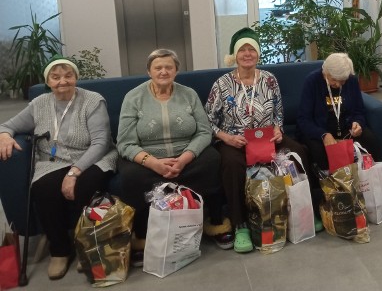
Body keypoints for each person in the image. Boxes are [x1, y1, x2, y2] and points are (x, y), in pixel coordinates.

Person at [0, 55, 117, 280]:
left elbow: (101, 143)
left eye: (68, 75)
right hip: (54, 161)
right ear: (48, 81)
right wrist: (4, 135)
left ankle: (88, 246)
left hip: (92, 157)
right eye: (56, 77)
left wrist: (74, 172)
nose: (62, 81)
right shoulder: (39, 104)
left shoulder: (93, 100)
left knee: (86, 186)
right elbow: (8, 125)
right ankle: (60, 251)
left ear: (76, 78)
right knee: (43, 188)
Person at [204, 27, 308, 253]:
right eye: (243, 50)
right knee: (232, 165)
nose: (248, 54)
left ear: (258, 54)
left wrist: (279, 129)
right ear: (235, 55)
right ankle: (240, 224)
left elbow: (279, 112)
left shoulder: (270, 79)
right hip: (235, 140)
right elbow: (208, 120)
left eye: (252, 49)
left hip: (267, 137)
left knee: (297, 151)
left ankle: (299, 212)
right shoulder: (222, 84)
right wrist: (226, 138)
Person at [116, 49, 221, 265]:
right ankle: (142, 237)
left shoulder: (188, 94)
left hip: (186, 157)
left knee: (212, 160)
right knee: (129, 176)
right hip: (149, 158)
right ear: (149, 71)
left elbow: (204, 132)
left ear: (176, 70)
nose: (163, 71)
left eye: (168, 67)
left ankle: (215, 223)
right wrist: (154, 163)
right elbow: (125, 142)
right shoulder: (133, 97)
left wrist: (184, 159)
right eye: (158, 67)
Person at [296, 52, 382, 216]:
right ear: (325, 72)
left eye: (341, 81)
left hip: (345, 129)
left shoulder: (350, 81)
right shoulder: (312, 82)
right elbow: (303, 119)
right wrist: (323, 134)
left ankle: (379, 194)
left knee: (372, 141)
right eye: (333, 80)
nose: (337, 84)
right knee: (320, 152)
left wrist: (358, 123)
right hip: (318, 130)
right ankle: (331, 199)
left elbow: (359, 110)